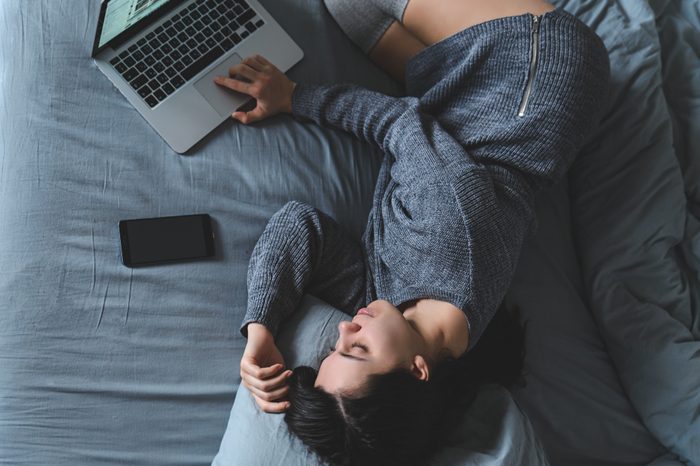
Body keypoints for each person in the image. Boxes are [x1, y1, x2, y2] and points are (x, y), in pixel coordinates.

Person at [215, 0, 610, 464]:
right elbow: (396, 123)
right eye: (356, 349)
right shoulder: (451, 236)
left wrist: (261, 327)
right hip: (532, 70)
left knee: (347, 13)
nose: (344, 328)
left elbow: (299, 227)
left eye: (332, 352)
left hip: (450, 107)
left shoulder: (395, 318)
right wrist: (292, 96)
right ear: (418, 371)